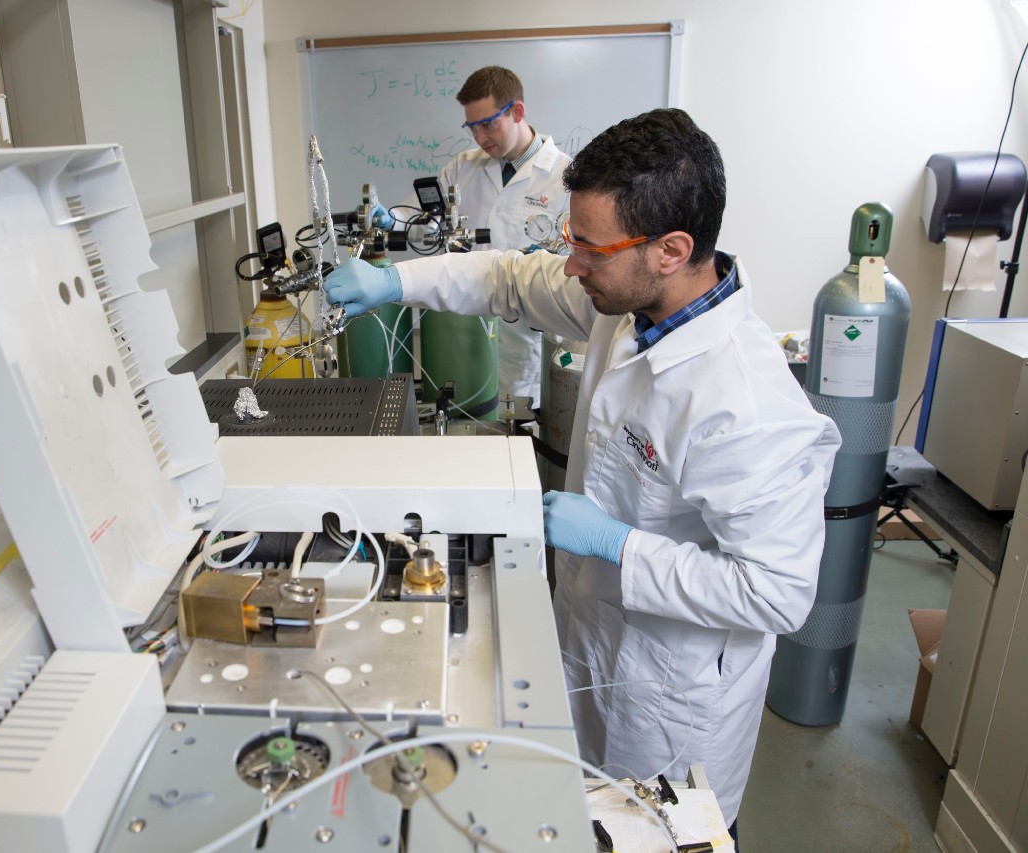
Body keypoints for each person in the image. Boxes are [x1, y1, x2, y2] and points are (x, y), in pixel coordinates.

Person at [325, 108, 841, 840]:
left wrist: (619, 545)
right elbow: (508, 277)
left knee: (651, 834)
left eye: (589, 249)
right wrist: (394, 282)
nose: (572, 265)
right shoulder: (627, 306)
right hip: (592, 642)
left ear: (671, 249)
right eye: (573, 241)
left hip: (673, 705)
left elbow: (780, 592)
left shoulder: (749, 406)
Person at [377, 66, 571, 408]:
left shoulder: (564, 178)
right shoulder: (461, 168)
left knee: (520, 432)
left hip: (524, 338)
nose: (480, 138)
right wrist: (388, 220)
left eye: (488, 124)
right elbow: (422, 221)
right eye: (472, 127)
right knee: (465, 420)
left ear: (517, 112)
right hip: (463, 330)